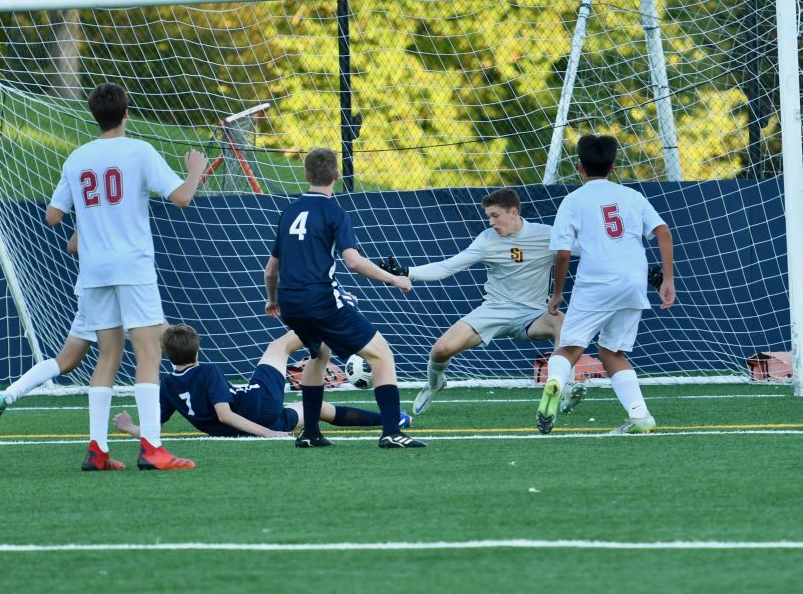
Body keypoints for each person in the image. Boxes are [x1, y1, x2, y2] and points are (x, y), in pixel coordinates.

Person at [46, 82, 207, 471]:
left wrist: (92, 218)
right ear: (126, 112)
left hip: (95, 270)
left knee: (106, 357)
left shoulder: (77, 158)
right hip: (132, 266)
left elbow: (53, 216)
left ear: (94, 114)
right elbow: (182, 198)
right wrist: (195, 171)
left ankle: (97, 450)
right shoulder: (139, 151)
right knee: (149, 353)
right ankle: (152, 448)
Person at [263, 147, 425, 448]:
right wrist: (394, 278)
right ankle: (392, 432)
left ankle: (310, 433)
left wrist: (272, 300)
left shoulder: (289, 211)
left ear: (306, 175)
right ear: (336, 175)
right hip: (320, 300)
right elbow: (353, 261)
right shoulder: (334, 212)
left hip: (290, 302)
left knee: (319, 353)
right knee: (381, 354)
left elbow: (271, 270)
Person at [376, 188, 565, 416]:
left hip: (533, 315)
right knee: (441, 350)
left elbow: (586, 252)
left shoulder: (548, 235)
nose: (491, 222)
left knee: (561, 322)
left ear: (514, 212)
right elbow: (448, 266)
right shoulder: (487, 240)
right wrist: (407, 272)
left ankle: (564, 388)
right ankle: (435, 384)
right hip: (494, 311)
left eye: (495, 216)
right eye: (488, 217)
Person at [538, 134, 675, 435]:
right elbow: (663, 232)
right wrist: (668, 279)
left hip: (595, 283)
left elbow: (562, 253)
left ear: (579, 168)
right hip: (633, 282)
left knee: (569, 347)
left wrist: (558, 293)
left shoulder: (572, 200)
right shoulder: (632, 196)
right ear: (613, 167)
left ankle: (556, 383)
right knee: (612, 352)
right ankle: (640, 416)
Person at [113, 324, 413, 439]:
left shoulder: (167, 385)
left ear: (165, 354)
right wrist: (267, 434)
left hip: (251, 421)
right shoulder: (207, 371)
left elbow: (155, 429)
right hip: (257, 404)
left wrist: (129, 427)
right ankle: (325, 322)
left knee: (316, 409)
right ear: (198, 348)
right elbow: (225, 413)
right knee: (278, 347)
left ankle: (396, 419)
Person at [0, 232, 95, 422]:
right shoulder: (125, 208)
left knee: (65, 362)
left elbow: (72, 245)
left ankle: (6, 397)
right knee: (155, 342)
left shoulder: (86, 204)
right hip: (118, 288)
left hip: (90, 291)